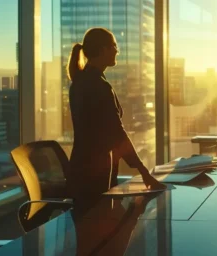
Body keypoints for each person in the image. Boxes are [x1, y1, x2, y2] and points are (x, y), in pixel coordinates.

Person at [66, 28, 163, 212]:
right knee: (101, 229)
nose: (117, 50)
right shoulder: (99, 86)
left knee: (88, 234)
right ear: (103, 50)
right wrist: (144, 172)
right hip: (95, 176)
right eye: (114, 46)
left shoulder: (81, 81)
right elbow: (116, 133)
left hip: (83, 170)